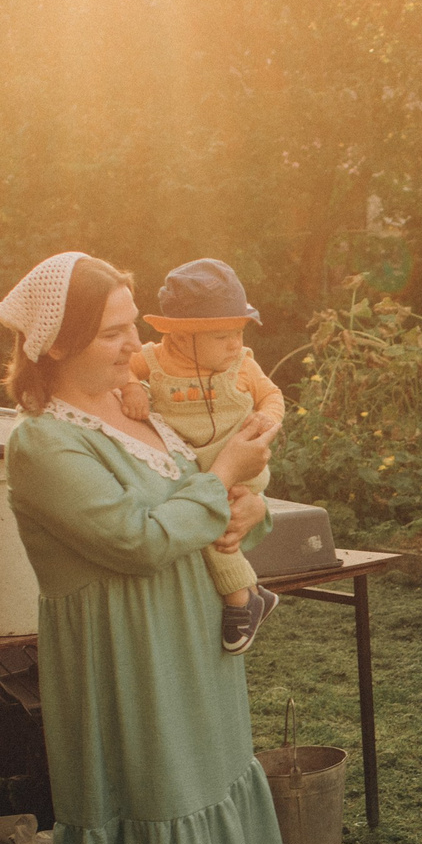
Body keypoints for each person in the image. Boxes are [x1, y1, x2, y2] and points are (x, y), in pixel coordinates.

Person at [0, 250, 306, 844]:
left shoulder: (135, 410)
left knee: (201, 794)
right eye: (116, 332)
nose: (136, 347)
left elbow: (203, 500)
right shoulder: (42, 443)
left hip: (183, 639)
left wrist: (248, 507)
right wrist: (217, 484)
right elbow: (134, 537)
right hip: (124, 656)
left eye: (134, 326)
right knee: (162, 807)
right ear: (54, 346)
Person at [139, 258, 288, 654]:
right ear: (179, 335)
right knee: (202, 508)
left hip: (240, 463)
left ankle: (241, 601)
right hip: (195, 469)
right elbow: (119, 375)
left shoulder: (242, 364)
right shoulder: (152, 361)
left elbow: (273, 395)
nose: (235, 344)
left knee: (213, 526)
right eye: (223, 336)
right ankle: (256, 593)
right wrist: (134, 388)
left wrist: (265, 418)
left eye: (238, 333)